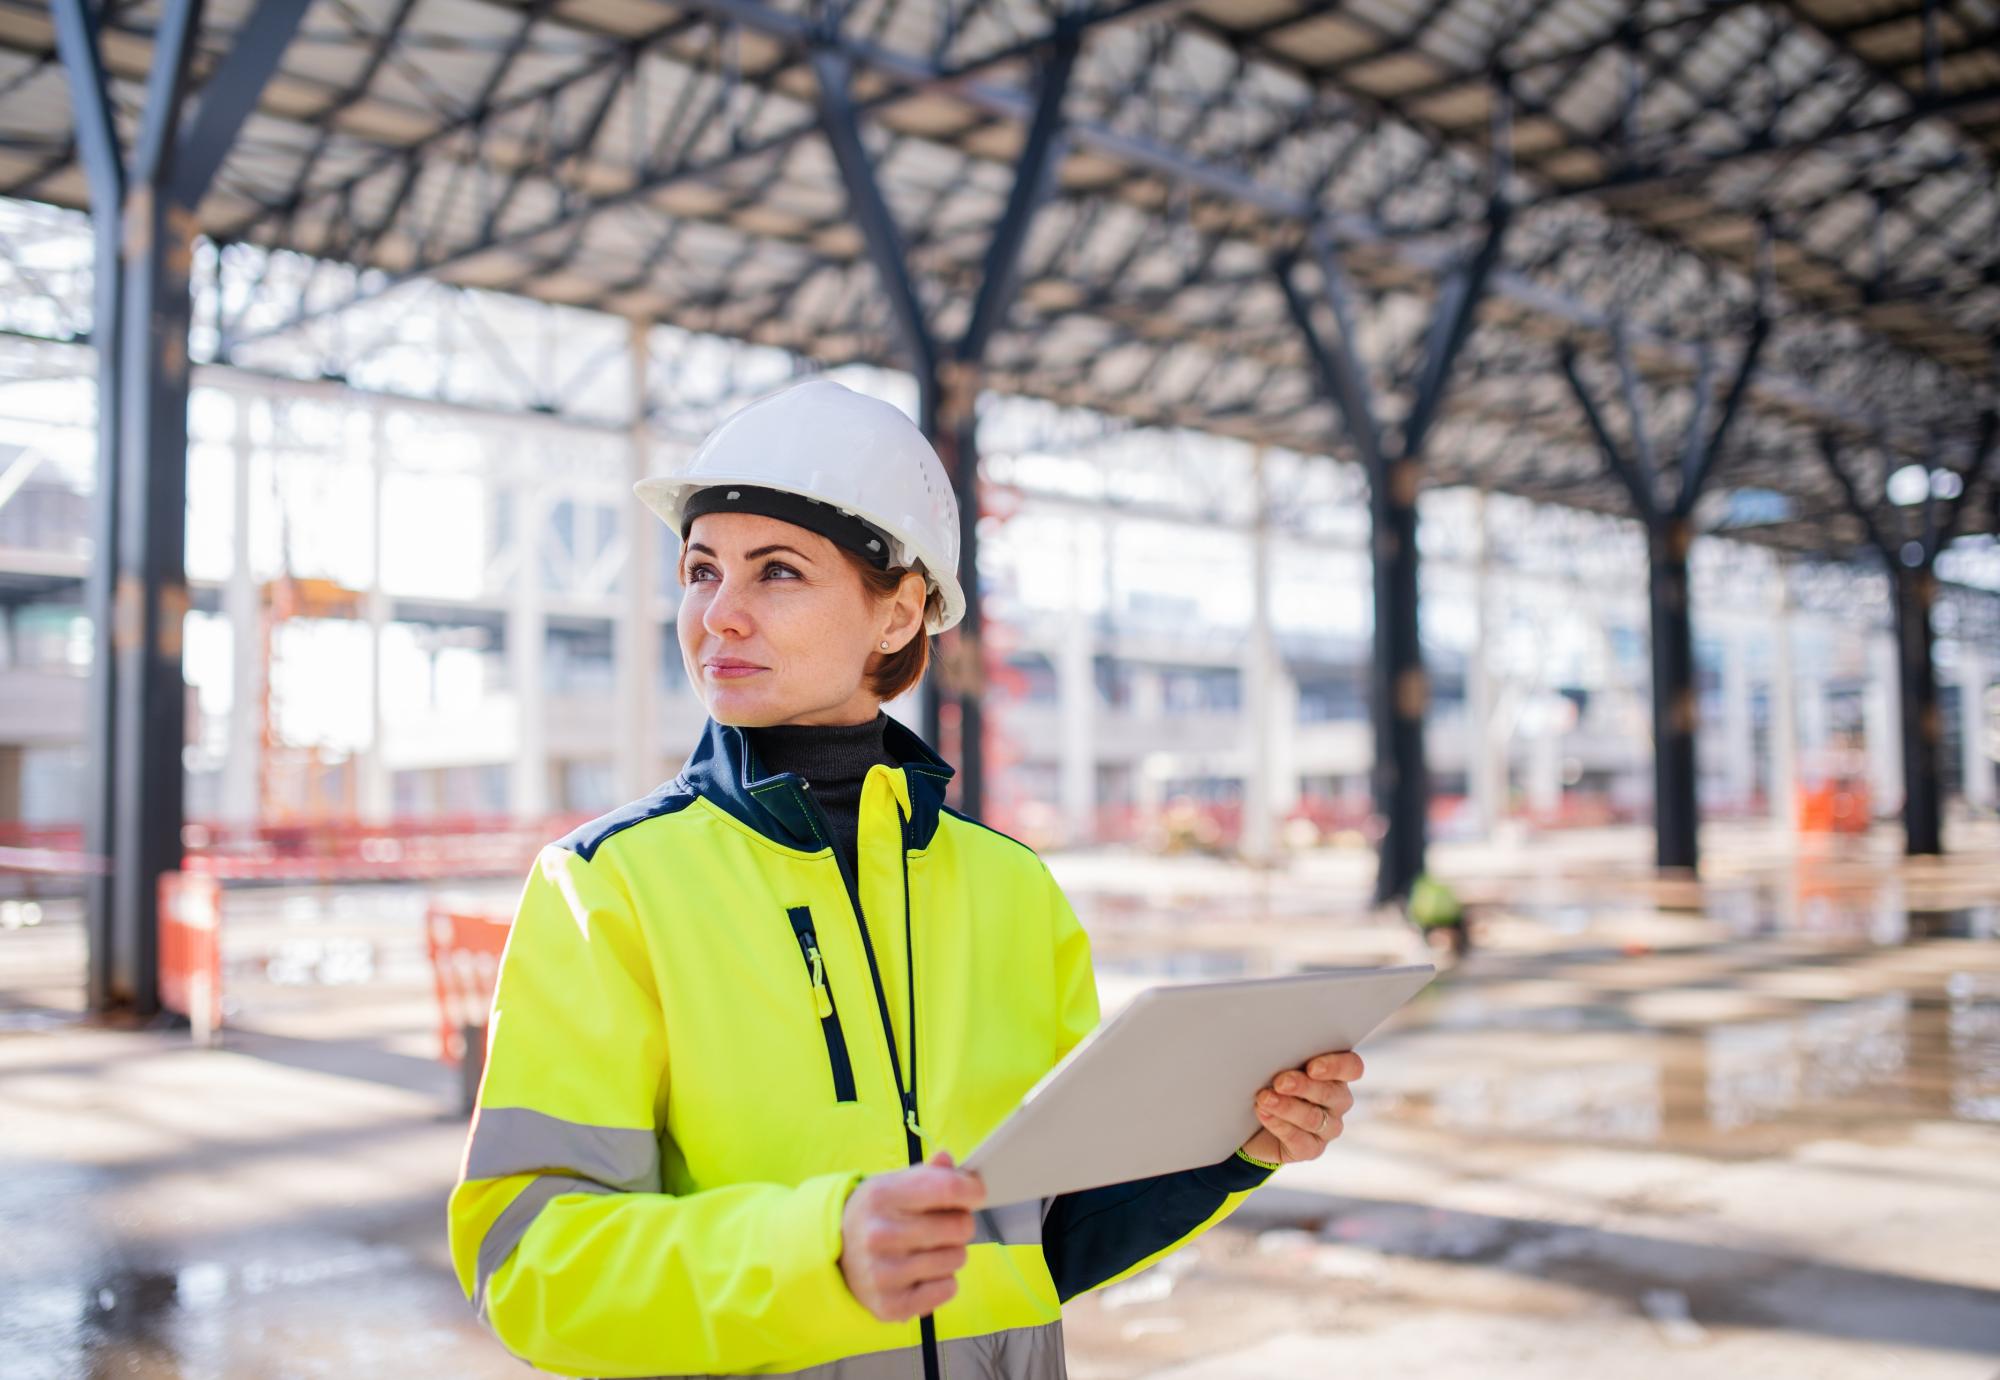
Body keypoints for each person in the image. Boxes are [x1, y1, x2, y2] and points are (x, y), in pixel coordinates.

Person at [446, 378, 1366, 1379]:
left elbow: (1040, 1243)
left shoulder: (1011, 892)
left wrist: (1234, 1152)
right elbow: (534, 1269)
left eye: (777, 573)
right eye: (701, 570)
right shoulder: (604, 889)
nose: (720, 615)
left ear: (902, 612)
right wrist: (820, 1253)